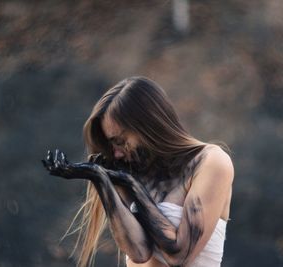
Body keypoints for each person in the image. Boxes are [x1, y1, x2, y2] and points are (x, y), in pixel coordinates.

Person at [42, 76, 234, 267]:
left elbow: (179, 256)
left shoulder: (211, 162)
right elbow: (139, 252)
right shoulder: (135, 172)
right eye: (111, 145)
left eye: (120, 141)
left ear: (147, 126)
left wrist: (132, 185)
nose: (116, 154)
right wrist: (100, 178)